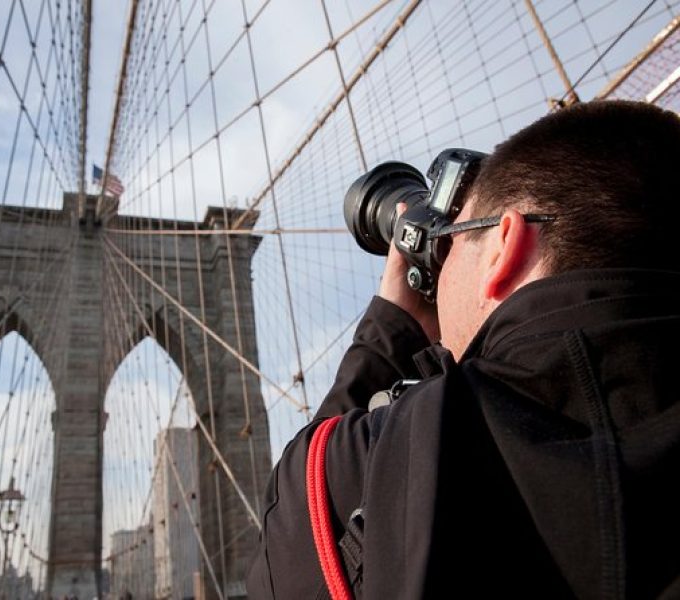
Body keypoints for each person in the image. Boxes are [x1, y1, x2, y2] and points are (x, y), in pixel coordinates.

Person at [246, 100, 680, 598]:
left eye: (454, 240)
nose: (442, 268)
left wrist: (396, 322)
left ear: (503, 248)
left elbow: (287, 551)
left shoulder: (410, 448)